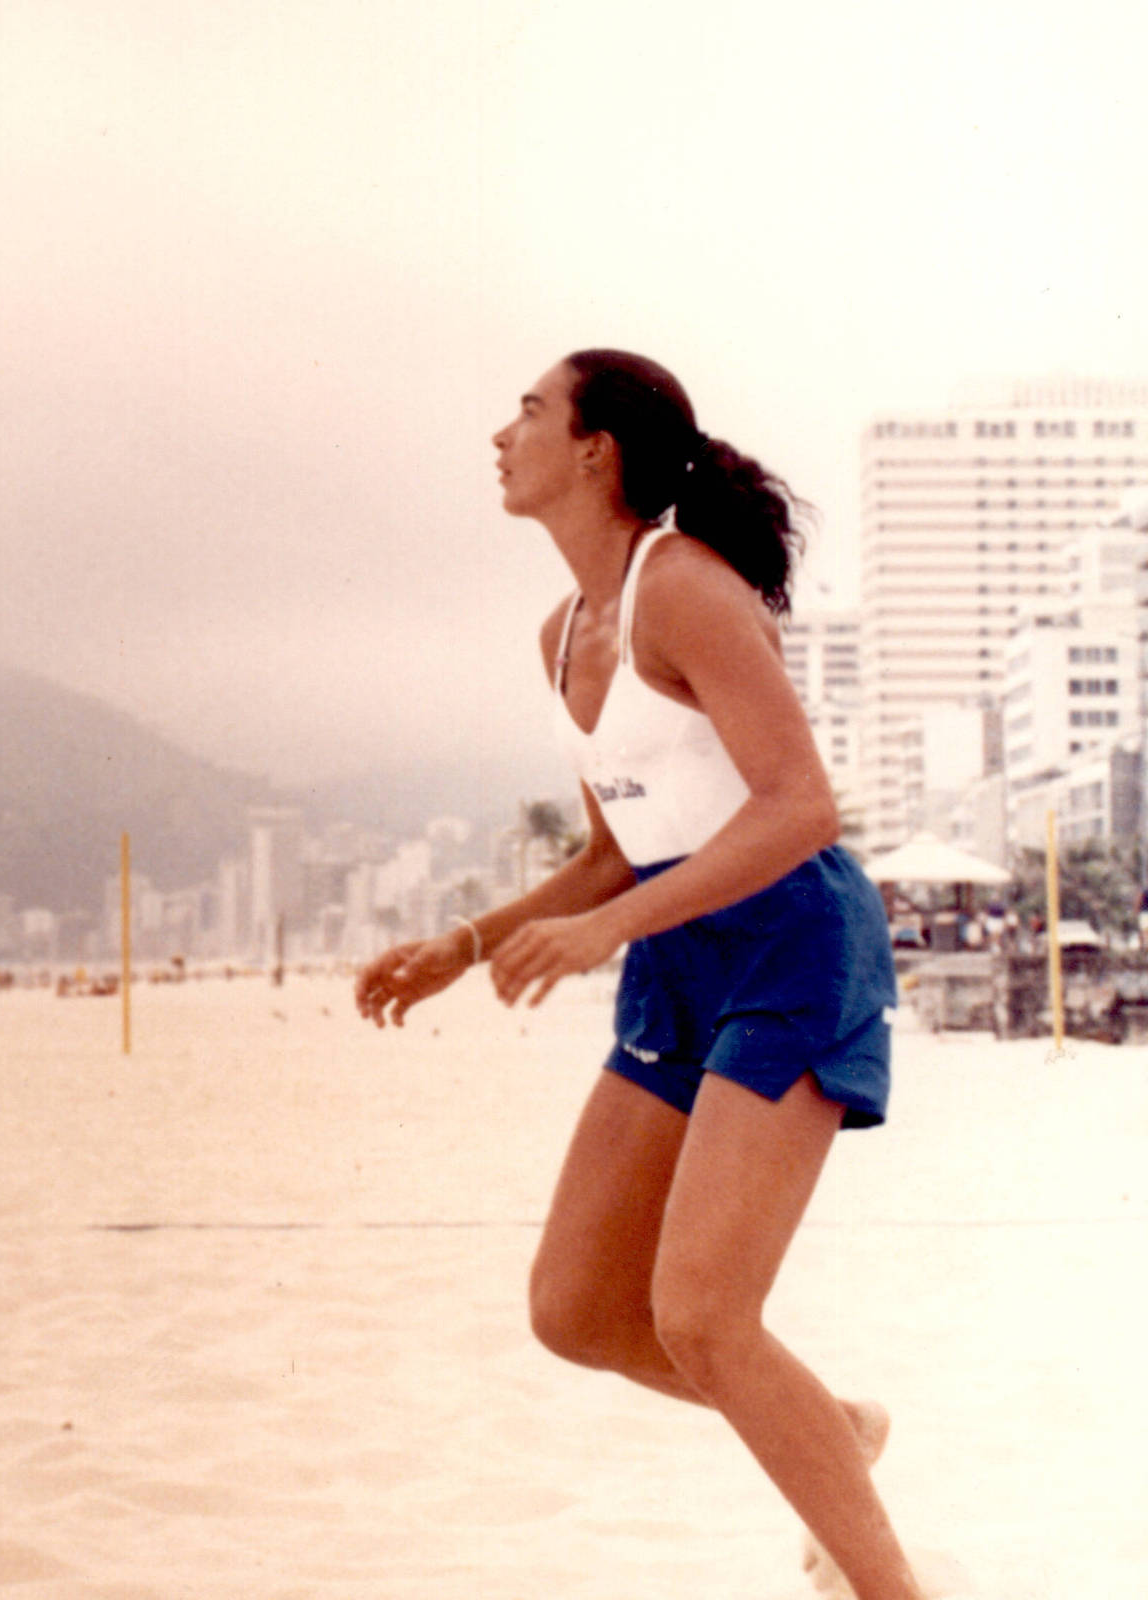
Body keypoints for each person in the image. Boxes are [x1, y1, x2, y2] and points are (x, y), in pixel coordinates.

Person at [355, 353, 923, 1598]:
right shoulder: (560, 635)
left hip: (790, 941)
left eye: (528, 410)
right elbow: (617, 849)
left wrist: (610, 932)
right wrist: (467, 945)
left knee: (705, 1313)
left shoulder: (688, 589)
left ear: (597, 448)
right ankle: (830, 1426)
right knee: (575, 1310)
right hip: (678, 955)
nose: (500, 432)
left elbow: (800, 808)